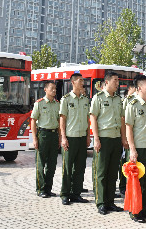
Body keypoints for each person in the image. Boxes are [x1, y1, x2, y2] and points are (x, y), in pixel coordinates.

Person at [90, 71, 127, 215]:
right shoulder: (98, 98)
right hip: (104, 139)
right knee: (101, 172)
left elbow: (122, 120)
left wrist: (123, 138)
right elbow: (93, 118)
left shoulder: (118, 99)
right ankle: (101, 203)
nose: (118, 83)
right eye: (115, 80)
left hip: (116, 139)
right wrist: (96, 139)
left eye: (118, 81)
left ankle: (110, 202)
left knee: (113, 173)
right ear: (107, 82)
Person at [125, 75, 146, 223]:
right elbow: (129, 128)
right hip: (139, 148)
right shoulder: (132, 104)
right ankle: (135, 211)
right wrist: (132, 149)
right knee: (138, 182)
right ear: (139, 88)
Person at [59, 73, 90, 205]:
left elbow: (88, 120)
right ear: (73, 82)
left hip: (82, 137)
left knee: (80, 167)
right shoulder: (65, 99)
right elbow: (62, 119)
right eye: (80, 80)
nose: (82, 82)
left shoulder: (85, 100)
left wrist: (88, 136)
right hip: (70, 138)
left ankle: (76, 193)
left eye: (83, 80)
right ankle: (65, 194)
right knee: (67, 167)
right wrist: (63, 137)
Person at [30, 81, 60, 198]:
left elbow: (58, 121)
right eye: (51, 89)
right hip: (42, 134)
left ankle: (48, 188)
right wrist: (34, 138)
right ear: (45, 90)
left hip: (53, 135)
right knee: (41, 163)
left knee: (52, 164)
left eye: (55, 89)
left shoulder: (57, 104)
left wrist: (59, 137)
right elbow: (33, 120)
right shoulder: (39, 103)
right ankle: (41, 189)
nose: (54, 91)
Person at [119, 83, 137, 196]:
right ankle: (123, 185)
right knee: (126, 162)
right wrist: (124, 137)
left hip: (139, 138)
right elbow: (124, 119)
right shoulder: (128, 100)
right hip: (129, 137)